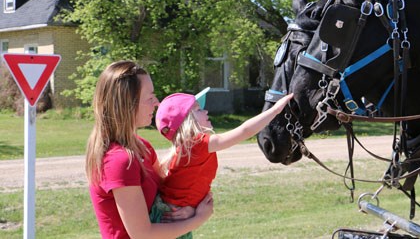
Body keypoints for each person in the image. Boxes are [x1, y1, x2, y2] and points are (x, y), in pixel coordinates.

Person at [85, 60, 213, 239]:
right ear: (127, 104)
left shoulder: (142, 146)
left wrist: (187, 209)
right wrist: (198, 219)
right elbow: (142, 234)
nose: (157, 103)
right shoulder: (119, 161)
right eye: (150, 97)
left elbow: (171, 191)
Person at [149, 87, 293, 237]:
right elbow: (245, 131)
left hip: (173, 216)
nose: (205, 111)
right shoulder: (197, 144)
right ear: (187, 121)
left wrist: (192, 208)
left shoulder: (189, 149)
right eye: (198, 110)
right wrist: (275, 110)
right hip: (171, 219)